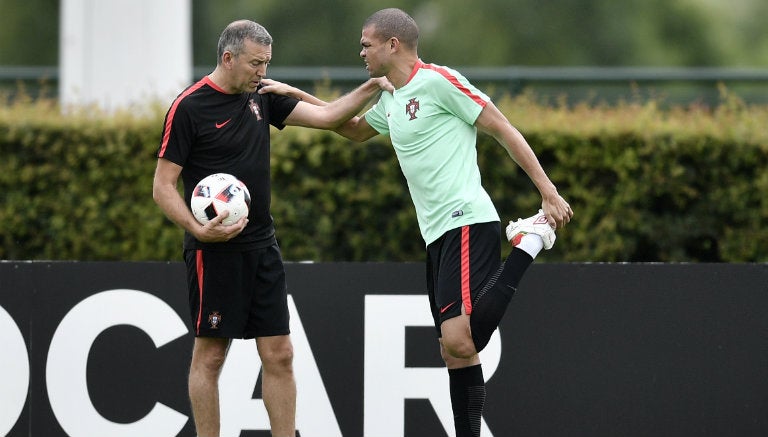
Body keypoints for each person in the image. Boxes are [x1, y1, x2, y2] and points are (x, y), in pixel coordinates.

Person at [316, 8, 573, 437]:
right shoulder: (392, 98)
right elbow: (354, 129)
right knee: (454, 353)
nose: (360, 51)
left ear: (392, 45)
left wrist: (547, 190)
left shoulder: (437, 80)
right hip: (435, 235)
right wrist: (292, 96)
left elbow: (502, 128)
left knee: (460, 339)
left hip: (467, 221)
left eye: (367, 44)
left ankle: (529, 243)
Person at [152, 19, 390, 437]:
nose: (263, 72)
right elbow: (162, 187)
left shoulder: (263, 96)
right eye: (255, 64)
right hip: (214, 252)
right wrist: (197, 229)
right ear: (228, 58)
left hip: (262, 246)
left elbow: (330, 117)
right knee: (209, 359)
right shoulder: (188, 107)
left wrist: (373, 87)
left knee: (279, 354)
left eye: (267, 63)